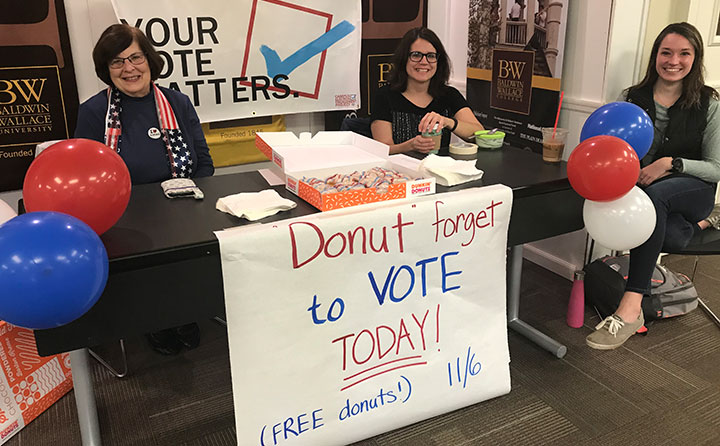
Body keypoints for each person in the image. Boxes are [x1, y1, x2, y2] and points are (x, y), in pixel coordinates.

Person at [75, 24, 215, 355]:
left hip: (183, 211)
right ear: (106, 70)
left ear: (150, 59)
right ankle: (153, 320)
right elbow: (85, 178)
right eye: (117, 62)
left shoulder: (177, 102)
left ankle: (185, 313)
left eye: (135, 57)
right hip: (126, 218)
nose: (129, 68)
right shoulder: (94, 112)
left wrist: (194, 200)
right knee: (144, 267)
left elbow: (204, 163)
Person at [586, 22, 720, 350]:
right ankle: (704, 223)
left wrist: (670, 164)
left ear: (695, 58)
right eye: (666, 52)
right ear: (655, 57)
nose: (673, 60)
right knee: (671, 235)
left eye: (684, 53)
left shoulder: (709, 102)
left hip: (692, 188)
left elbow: (716, 169)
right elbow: (609, 147)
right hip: (645, 194)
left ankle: (631, 308)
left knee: (654, 200)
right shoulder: (631, 98)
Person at [370, 27, 484, 155]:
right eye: (416, 55)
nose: (424, 62)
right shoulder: (385, 96)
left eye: (430, 56)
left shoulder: (449, 94)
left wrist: (448, 121)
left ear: (438, 61)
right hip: (398, 172)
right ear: (404, 59)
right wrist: (410, 146)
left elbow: (479, 135)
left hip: (440, 170)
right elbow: (382, 149)